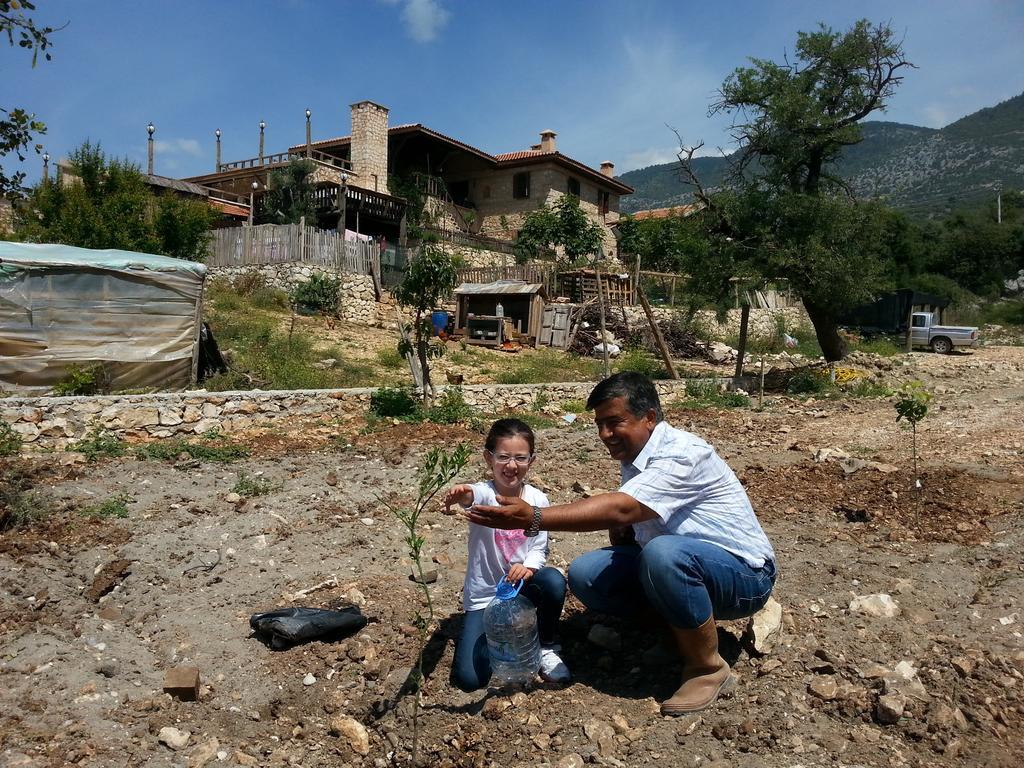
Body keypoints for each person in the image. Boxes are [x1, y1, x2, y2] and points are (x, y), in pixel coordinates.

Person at [466, 373, 776, 714]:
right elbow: (634, 513)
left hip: (744, 576)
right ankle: (675, 630)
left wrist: (534, 517)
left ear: (650, 418)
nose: (604, 435)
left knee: (664, 554)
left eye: (614, 423)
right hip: (691, 566)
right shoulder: (635, 457)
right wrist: (628, 531)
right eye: (600, 424)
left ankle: (707, 667)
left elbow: (622, 506)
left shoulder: (684, 454)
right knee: (588, 573)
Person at [443, 418, 571, 691]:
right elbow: (471, 495)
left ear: (531, 461)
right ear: (488, 458)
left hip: (521, 588)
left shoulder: (538, 500)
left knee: (553, 581)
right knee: (470, 679)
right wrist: (462, 493)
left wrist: (529, 568)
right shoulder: (486, 495)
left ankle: (546, 645)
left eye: (520, 458)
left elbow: (539, 547)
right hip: (486, 595)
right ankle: (512, 637)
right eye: (503, 457)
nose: (511, 466)